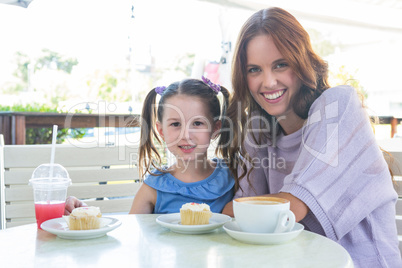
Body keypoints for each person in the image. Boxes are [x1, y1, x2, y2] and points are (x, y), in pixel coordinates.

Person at [218, 7, 401, 267]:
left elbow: (291, 208)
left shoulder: (337, 105)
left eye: (280, 65)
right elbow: (240, 216)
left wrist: (233, 210)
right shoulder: (260, 132)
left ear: (302, 61)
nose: (268, 82)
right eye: (254, 70)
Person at [65, 77, 234, 215]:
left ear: (215, 129)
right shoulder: (153, 187)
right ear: (161, 130)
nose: (185, 135)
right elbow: (131, 235)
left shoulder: (233, 178)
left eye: (197, 123)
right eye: (175, 124)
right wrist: (83, 212)